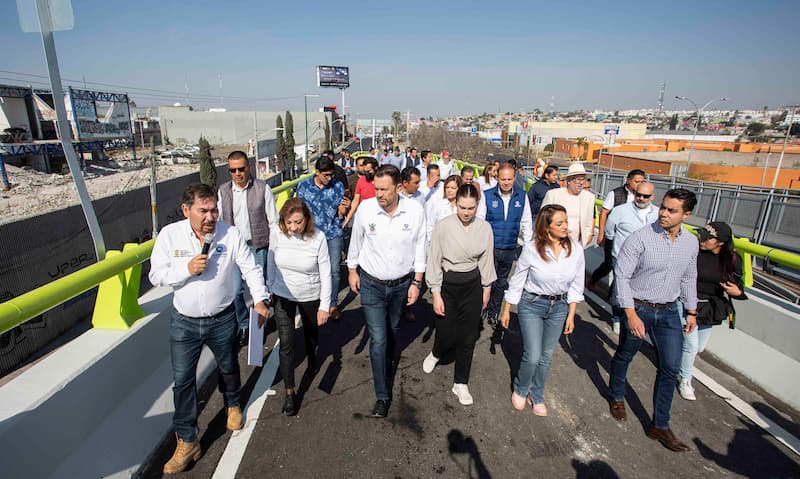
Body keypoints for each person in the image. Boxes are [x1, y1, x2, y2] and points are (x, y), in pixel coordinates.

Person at [150, 183, 271, 474]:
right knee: (183, 382)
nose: (210, 216)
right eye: (203, 210)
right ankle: (188, 440)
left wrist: (260, 299)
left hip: (222, 319)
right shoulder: (170, 235)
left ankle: (232, 405)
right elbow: (156, 275)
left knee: (229, 366)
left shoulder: (229, 234)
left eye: (214, 209)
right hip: (184, 323)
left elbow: (250, 267)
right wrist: (187, 269)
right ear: (186, 210)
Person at [607, 188, 699, 453]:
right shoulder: (640, 239)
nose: (664, 213)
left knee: (671, 368)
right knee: (625, 354)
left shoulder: (690, 243)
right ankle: (616, 396)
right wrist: (631, 314)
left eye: (672, 210)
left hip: (670, 312)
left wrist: (691, 311)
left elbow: (688, 277)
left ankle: (660, 424)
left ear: (687, 214)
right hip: (639, 308)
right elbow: (622, 276)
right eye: (663, 207)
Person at [347, 164, 426, 418]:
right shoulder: (366, 210)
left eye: (384, 189)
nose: (379, 194)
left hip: (401, 285)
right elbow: (355, 243)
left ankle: (386, 362)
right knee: (378, 339)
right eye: (376, 188)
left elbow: (420, 247)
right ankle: (382, 395)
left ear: (399, 188)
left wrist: (417, 282)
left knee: (392, 331)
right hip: (371, 285)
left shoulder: (414, 211)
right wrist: (351, 270)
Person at [500, 204, 584, 415]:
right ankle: (521, 388)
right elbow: (518, 280)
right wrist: (507, 308)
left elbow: (576, 284)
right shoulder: (532, 248)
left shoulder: (575, 249)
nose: (566, 226)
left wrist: (571, 315)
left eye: (566, 221)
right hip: (532, 304)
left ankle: (536, 394)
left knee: (546, 356)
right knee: (533, 355)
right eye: (560, 223)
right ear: (547, 227)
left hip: (560, 307)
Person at [423, 184, 496, 405]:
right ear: (455, 204)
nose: (466, 212)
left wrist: (486, 289)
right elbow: (434, 260)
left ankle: (461, 382)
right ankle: (436, 352)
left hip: (472, 285)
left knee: (468, 337)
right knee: (446, 333)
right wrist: (435, 292)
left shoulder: (484, 228)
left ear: (477, 206)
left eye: (471, 208)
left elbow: (486, 261)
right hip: (448, 284)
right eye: (462, 207)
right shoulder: (443, 226)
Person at [267, 198, 331, 416]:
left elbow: (326, 272)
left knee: (311, 334)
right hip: (282, 295)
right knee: (286, 343)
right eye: (288, 222)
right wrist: (269, 287)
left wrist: (325, 304)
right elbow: (270, 260)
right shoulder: (277, 233)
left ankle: (313, 358)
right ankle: (290, 392)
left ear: (307, 219)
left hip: (310, 295)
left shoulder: (318, 238)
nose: (293, 228)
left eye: (297, 222)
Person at [678, 221, 746, 400]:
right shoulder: (694, 251)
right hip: (687, 303)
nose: (703, 240)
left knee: (698, 347)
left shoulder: (732, 260)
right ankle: (685, 380)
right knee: (691, 346)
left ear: (721, 242)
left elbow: (739, 287)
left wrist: (736, 292)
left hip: (710, 307)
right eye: (702, 235)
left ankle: (673, 354)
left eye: (708, 238)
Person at [217, 150, 277, 345]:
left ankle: (260, 325)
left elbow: (273, 221)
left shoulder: (262, 188)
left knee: (259, 289)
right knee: (235, 291)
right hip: (233, 249)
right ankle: (244, 324)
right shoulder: (223, 191)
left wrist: (275, 248)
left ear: (248, 167)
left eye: (241, 169)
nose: (237, 174)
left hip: (257, 246)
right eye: (232, 170)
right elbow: (218, 220)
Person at [296, 157, 350, 321]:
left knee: (334, 271)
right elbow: (298, 210)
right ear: (317, 172)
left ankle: (331, 305)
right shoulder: (304, 186)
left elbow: (341, 213)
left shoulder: (337, 186)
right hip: (311, 235)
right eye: (325, 175)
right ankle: (311, 303)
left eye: (331, 175)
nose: (329, 178)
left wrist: (344, 209)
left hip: (332, 233)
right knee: (311, 270)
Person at [483, 163, 533, 334]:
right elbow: (481, 223)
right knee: (486, 281)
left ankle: (494, 312)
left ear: (514, 178)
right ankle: (481, 308)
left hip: (510, 247)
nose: (506, 182)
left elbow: (526, 223)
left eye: (509, 179)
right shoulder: (487, 196)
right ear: (497, 178)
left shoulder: (522, 196)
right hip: (490, 247)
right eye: (503, 179)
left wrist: (528, 248)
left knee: (501, 282)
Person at [603, 182, 659, 334]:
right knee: (619, 290)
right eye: (638, 194)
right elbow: (610, 233)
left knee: (640, 291)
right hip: (622, 259)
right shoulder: (620, 211)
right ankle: (617, 318)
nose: (640, 198)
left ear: (652, 196)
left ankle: (636, 318)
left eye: (645, 196)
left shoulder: (658, 214)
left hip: (647, 261)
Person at [591, 169, 646, 287]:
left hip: (631, 239)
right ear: (628, 180)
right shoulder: (615, 194)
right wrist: (601, 234)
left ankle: (614, 295)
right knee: (609, 264)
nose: (639, 184)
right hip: (613, 236)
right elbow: (604, 212)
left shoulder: (642, 198)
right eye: (637, 181)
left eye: (642, 181)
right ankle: (593, 280)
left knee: (623, 270)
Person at [540, 162, 596, 247]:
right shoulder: (553, 195)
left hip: (577, 244)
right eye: (578, 179)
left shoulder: (589, 197)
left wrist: (590, 235)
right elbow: (543, 219)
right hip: (555, 243)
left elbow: (589, 219)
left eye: (583, 179)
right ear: (569, 180)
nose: (581, 183)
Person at [425, 175, 463, 246]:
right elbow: (430, 225)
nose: (449, 190)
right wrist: (432, 242)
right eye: (447, 187)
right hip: (440, 245)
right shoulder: (438, 205)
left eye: (453, 188)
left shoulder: (463, 206)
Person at [343, 156, 379, 228]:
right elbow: (356, 200)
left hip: (378, 215)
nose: (367, 174)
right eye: (365, 171)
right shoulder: (362, 180)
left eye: (369, 171)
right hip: (364, 215)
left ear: (376, 169)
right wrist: (348, 218)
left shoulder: (382, 180)